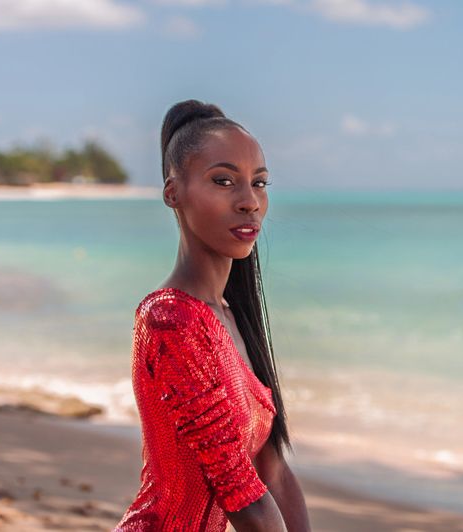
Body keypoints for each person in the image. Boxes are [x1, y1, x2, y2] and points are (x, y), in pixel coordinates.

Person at [114, 100, 311, 531]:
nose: (249, 202)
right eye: (223, 181)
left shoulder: (233, 317)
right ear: (173, 193)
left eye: (259, 183)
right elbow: (239, 491)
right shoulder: (170, 320)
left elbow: (271, 469)